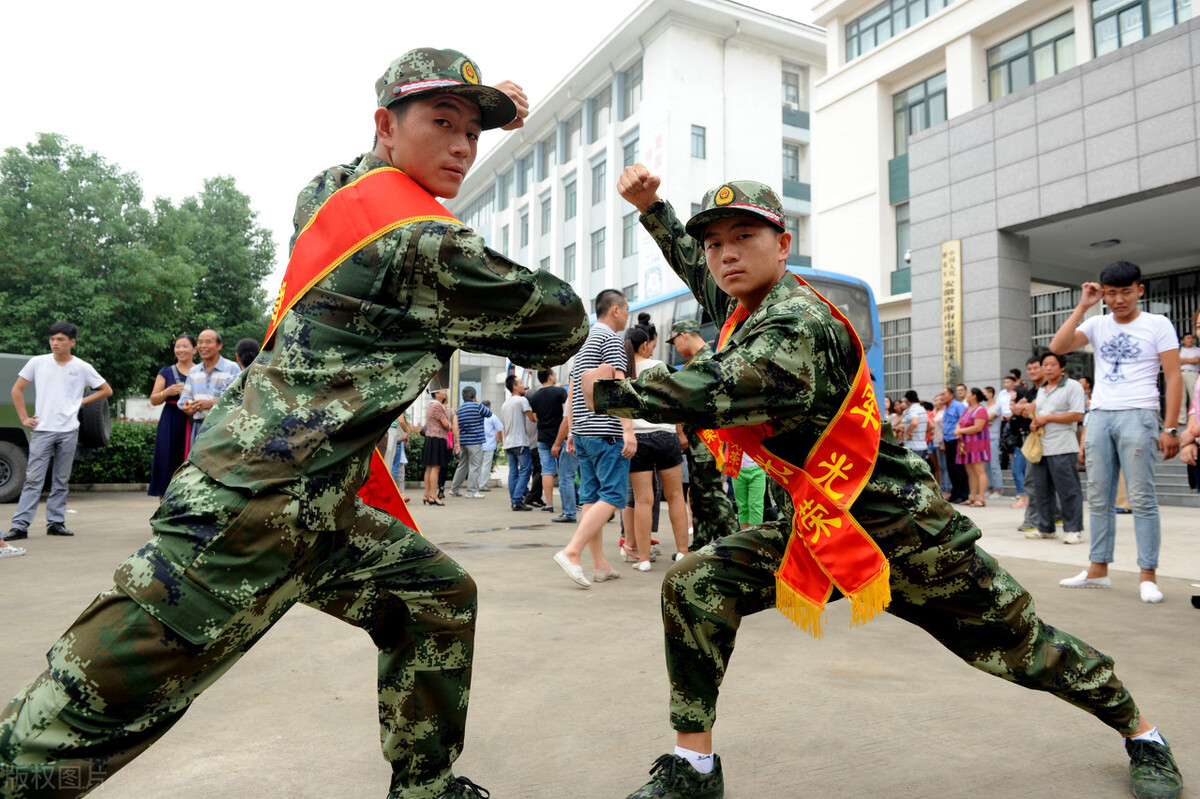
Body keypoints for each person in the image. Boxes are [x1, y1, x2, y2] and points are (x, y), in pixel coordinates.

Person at [0, 48, 588, 799]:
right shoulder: (425, 245)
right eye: (443, 124)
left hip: (320, 506)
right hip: (249, 514)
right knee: (78, 716)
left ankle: (425, 786)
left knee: (434, 598)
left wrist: (462, 110)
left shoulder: (328, 195)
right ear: (385, 127)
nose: (464, 147)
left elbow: (364, 180)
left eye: (473, 133)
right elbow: (563, 323)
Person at [600, 167, 1182, 799]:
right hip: (821, 530)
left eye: (744, 236)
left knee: (1021, 648)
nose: (725, 255)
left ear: (783, 243)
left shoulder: (795, 321)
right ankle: (694, 769)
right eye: (716, 243)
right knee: (696, 584)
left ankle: (1143, 734)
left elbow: (720, 386)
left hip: (903, 530)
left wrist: (611, 387)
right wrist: (653, 208)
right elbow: (698, 271)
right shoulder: (747, 304)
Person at [1049, 261, 1182, 604]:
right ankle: (1098, 569)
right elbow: (1058, 346)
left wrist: (1170, 427)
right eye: (1111, 293)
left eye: (1126, 292)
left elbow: (1173, 376)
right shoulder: (1097, 324)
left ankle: (1148, 575)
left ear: (1140, 290)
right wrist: (1083, 306)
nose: (1119, 300)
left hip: (1139, 414)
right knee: (1098, 496)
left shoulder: (1157, 324)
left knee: (1141, 498)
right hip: (1100, 415)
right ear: (1103, 294)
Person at [552, 289, 635, 588]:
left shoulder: (584, 341)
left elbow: (574, 389)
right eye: (626, 310)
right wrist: (628, 429)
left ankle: (600, 565)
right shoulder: (611, 340)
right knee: (613, 495)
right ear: (616, 310)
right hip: (606, 431)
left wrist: (573, 431)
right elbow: (618, 385)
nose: (627, 316)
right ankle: (572, 552)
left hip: (584, 433)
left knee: (590, 496)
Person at [4, 321, 112, 541]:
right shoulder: (37, 362)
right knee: (33, 479)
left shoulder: (82, 367)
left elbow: (106, 390)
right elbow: (17, 390)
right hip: (42, 429)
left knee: (61, 480)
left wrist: (81, 402)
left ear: (72, 342)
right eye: (52, 339)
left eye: (60, 339)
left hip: (69, 430)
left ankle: (56, 522)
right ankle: (20, 526)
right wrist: (23, 417)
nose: (55, 343)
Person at [625, 315, 690, 567]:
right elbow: (675, 403)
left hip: (638, 440)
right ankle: (682, 552)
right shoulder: (660, 366)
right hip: (665, 435)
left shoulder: (624, 371)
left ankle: (643, 559)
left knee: (643, 500)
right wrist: (680, 432)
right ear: (645, 345)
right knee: (675, 495)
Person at [667, 319, 738, 550]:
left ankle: (734, 541)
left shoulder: (706, 362)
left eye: (675, 341)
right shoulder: (698, 362)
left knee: (711, 494)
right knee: (698, 495)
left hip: (707, 441)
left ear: (684, 335)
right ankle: (701, 545)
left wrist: (681, 429)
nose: (675, 348)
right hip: (698, 440)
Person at [1023, 352, 1086, 545]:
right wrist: (1035, 423)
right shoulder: (1042, 389)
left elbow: (1077, 414)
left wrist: (1048, 418)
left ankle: (1073, 529)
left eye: (1053, 364)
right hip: (1042, 447)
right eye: (1045, 365)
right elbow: (1039, 414)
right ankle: (1045, 528)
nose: (1048, 368)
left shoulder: (1072, 386)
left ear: (1062, 367)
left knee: (1068, 490)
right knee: (1042, 490)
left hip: (1063, 446)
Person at [147, 333, 197, 497]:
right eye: (177, 346)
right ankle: (164, 502)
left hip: (195, 419)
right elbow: (154, 399)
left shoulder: (201, 371)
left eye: (185, 346)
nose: (181, 350)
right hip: (171, 420)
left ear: (194, 349)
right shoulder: (166, 372)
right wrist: (167, 392)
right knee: (167, 461)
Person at [178, 328, 241, 445]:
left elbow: (240, 400)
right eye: (200, 342)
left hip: (222, 429)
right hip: (198, 427)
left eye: (207, 342)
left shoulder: (232, 368)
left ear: (219, 345)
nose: (203, 346)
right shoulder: (194, 371)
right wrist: (188, 406)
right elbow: (184, 400)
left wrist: (212, 403)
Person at [528, 369, 572, 518]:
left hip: (543, 437)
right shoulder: (560, 392)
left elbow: (535, 418)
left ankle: (549, 505)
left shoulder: (535, 396)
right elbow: (566, 414)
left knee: (546, 470)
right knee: (565, 472)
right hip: (560, 437)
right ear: (550, 376)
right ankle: (568, 506)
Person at [500, 374, 536, 511]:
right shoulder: (522, 400)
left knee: (513, 472)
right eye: (520, 383)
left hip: (509, 442)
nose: (523, 386)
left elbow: (504, 425)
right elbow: (532, 418)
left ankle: (514, 499)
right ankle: (517, 500)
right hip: (520, 441)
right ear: (514, 387)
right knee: (526, 470)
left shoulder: (505, 404)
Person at [448, 386, 491, 498]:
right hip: (475, 441)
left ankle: (454, 489)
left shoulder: (460, 409)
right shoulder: (478, 406)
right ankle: (471, 491)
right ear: (474, 396)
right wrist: (478, 402)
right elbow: (489, 413)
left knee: (462, 465)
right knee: (475, 466)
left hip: (464, 441)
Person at [952, 387, 990, 507]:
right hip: (966, 444)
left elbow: (978, 427)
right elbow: (959, 422)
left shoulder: (981, 410)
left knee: (979, 471)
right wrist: (958, 429)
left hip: (977, 444)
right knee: (970, 472)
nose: (967, 395)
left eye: (969, 393)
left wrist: (960, 431)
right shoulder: (967, 409)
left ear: (974, 396)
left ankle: (981, 498)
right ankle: (972, 497)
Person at [422, 386, 452, 506]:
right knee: (435, 468)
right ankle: (434, 496)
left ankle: (427, 495)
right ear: (436, 393)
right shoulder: (437, 406)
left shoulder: (431, 405)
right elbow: (446, 425)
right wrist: (450, 424)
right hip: (437, 438)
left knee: (429, 467)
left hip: (430, 438)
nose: (445, 392)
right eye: (443, 390)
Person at [938, 386, 969, 503]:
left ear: (951, 395)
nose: (941, 397)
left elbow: (964, 420)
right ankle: (955, 493)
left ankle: (963, 494)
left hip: (956, 439)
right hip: (947, 440)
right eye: (941, 395)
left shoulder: (958, 406)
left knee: (958, 468)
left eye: (944, 394)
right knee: (950, 468)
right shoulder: (946, 407)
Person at [480, 400, 503, 494]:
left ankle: (476, 484)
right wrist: (501, 442)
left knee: (477, 466)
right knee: (486, 466)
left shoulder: (478, 416)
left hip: (478, 444)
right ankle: (483, 485)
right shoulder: (492, 416)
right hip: (489, 445)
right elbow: (499, 430)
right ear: (490, 406)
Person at [983, 386, 1003, 499]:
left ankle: (998, 490)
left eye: (985, 393)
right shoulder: (985, 407)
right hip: (984, 439)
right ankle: (990, 488)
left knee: (994, 465)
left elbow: (987, 418)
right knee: (987, 466)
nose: (983, 395)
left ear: (991, 393)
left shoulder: (997, 406)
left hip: (993, 438)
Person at [1180, 327, 1199, 427]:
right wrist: (1190, 360)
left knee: (1194, 396)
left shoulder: (1197, 350)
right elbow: (1175, 361)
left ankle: (1196, 418)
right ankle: (1181, 419)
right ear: (1183, 340)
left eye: (1192, 338)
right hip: (1181, 373)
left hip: (1192, 373)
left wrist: (1182, 361)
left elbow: (1196, 360)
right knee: (1181, 397)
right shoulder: (1179, 351)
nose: (1191, 340)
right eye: (1188, 338)